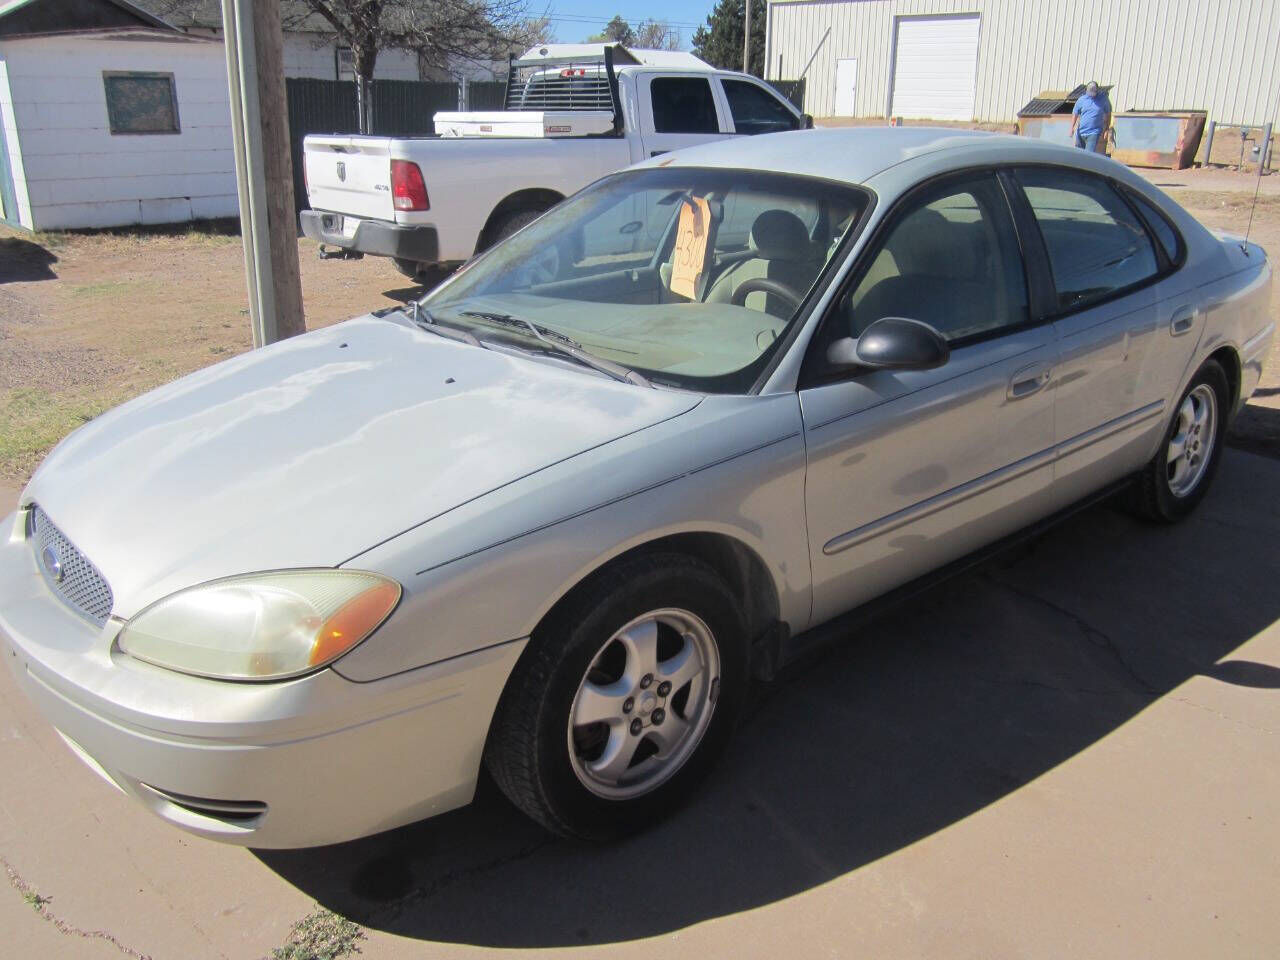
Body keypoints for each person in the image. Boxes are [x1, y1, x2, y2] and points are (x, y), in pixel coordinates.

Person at [1070, 81, 1112, 152]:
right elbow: (1075, 113)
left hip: (1094, 132)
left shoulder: (1103, 99)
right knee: (1078, 153)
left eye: (1093, 93)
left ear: (1097, 91)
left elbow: (1108, 113)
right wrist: (1072, 127)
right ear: (1086, 90)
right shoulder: (1082, 100)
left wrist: (1107, 129)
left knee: (1089, 154)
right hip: (1081, 131)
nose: (1091, 95)